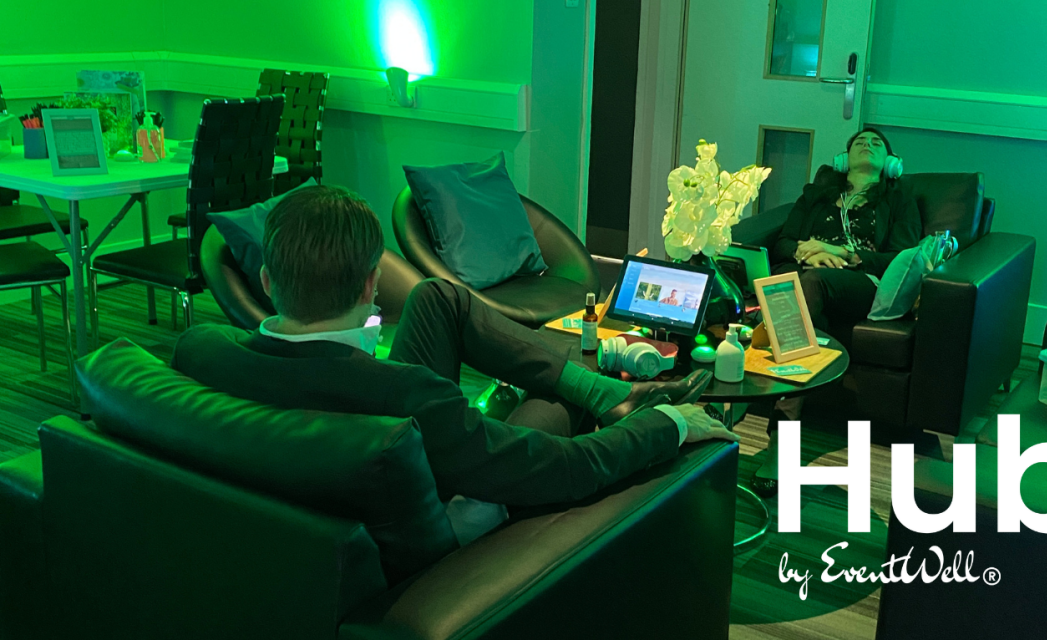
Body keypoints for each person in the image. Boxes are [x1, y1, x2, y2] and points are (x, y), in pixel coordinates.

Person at [172, 185, 738, 547]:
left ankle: (602, 390)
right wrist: (669, 425)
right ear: (371, 284)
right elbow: (568, 468)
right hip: (447, 523)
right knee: (553, 403)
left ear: (268, 282)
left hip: (326, 489)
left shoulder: (203, 350)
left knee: (438, 299)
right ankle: (610, 397)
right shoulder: (407, 398)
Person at [755, 128, 921, 497]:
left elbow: (900, 256)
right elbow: (783, 242)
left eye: (877, 144)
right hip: (809, 273)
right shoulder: (816, 194)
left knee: (806, 285)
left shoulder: (899, 198)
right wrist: (806, 251)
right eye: (860, 141)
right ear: (845, 159)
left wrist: (844, 254)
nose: (868, 144)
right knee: (795, 286)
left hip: (860, 280)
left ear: (890, 163)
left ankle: (778, 440)